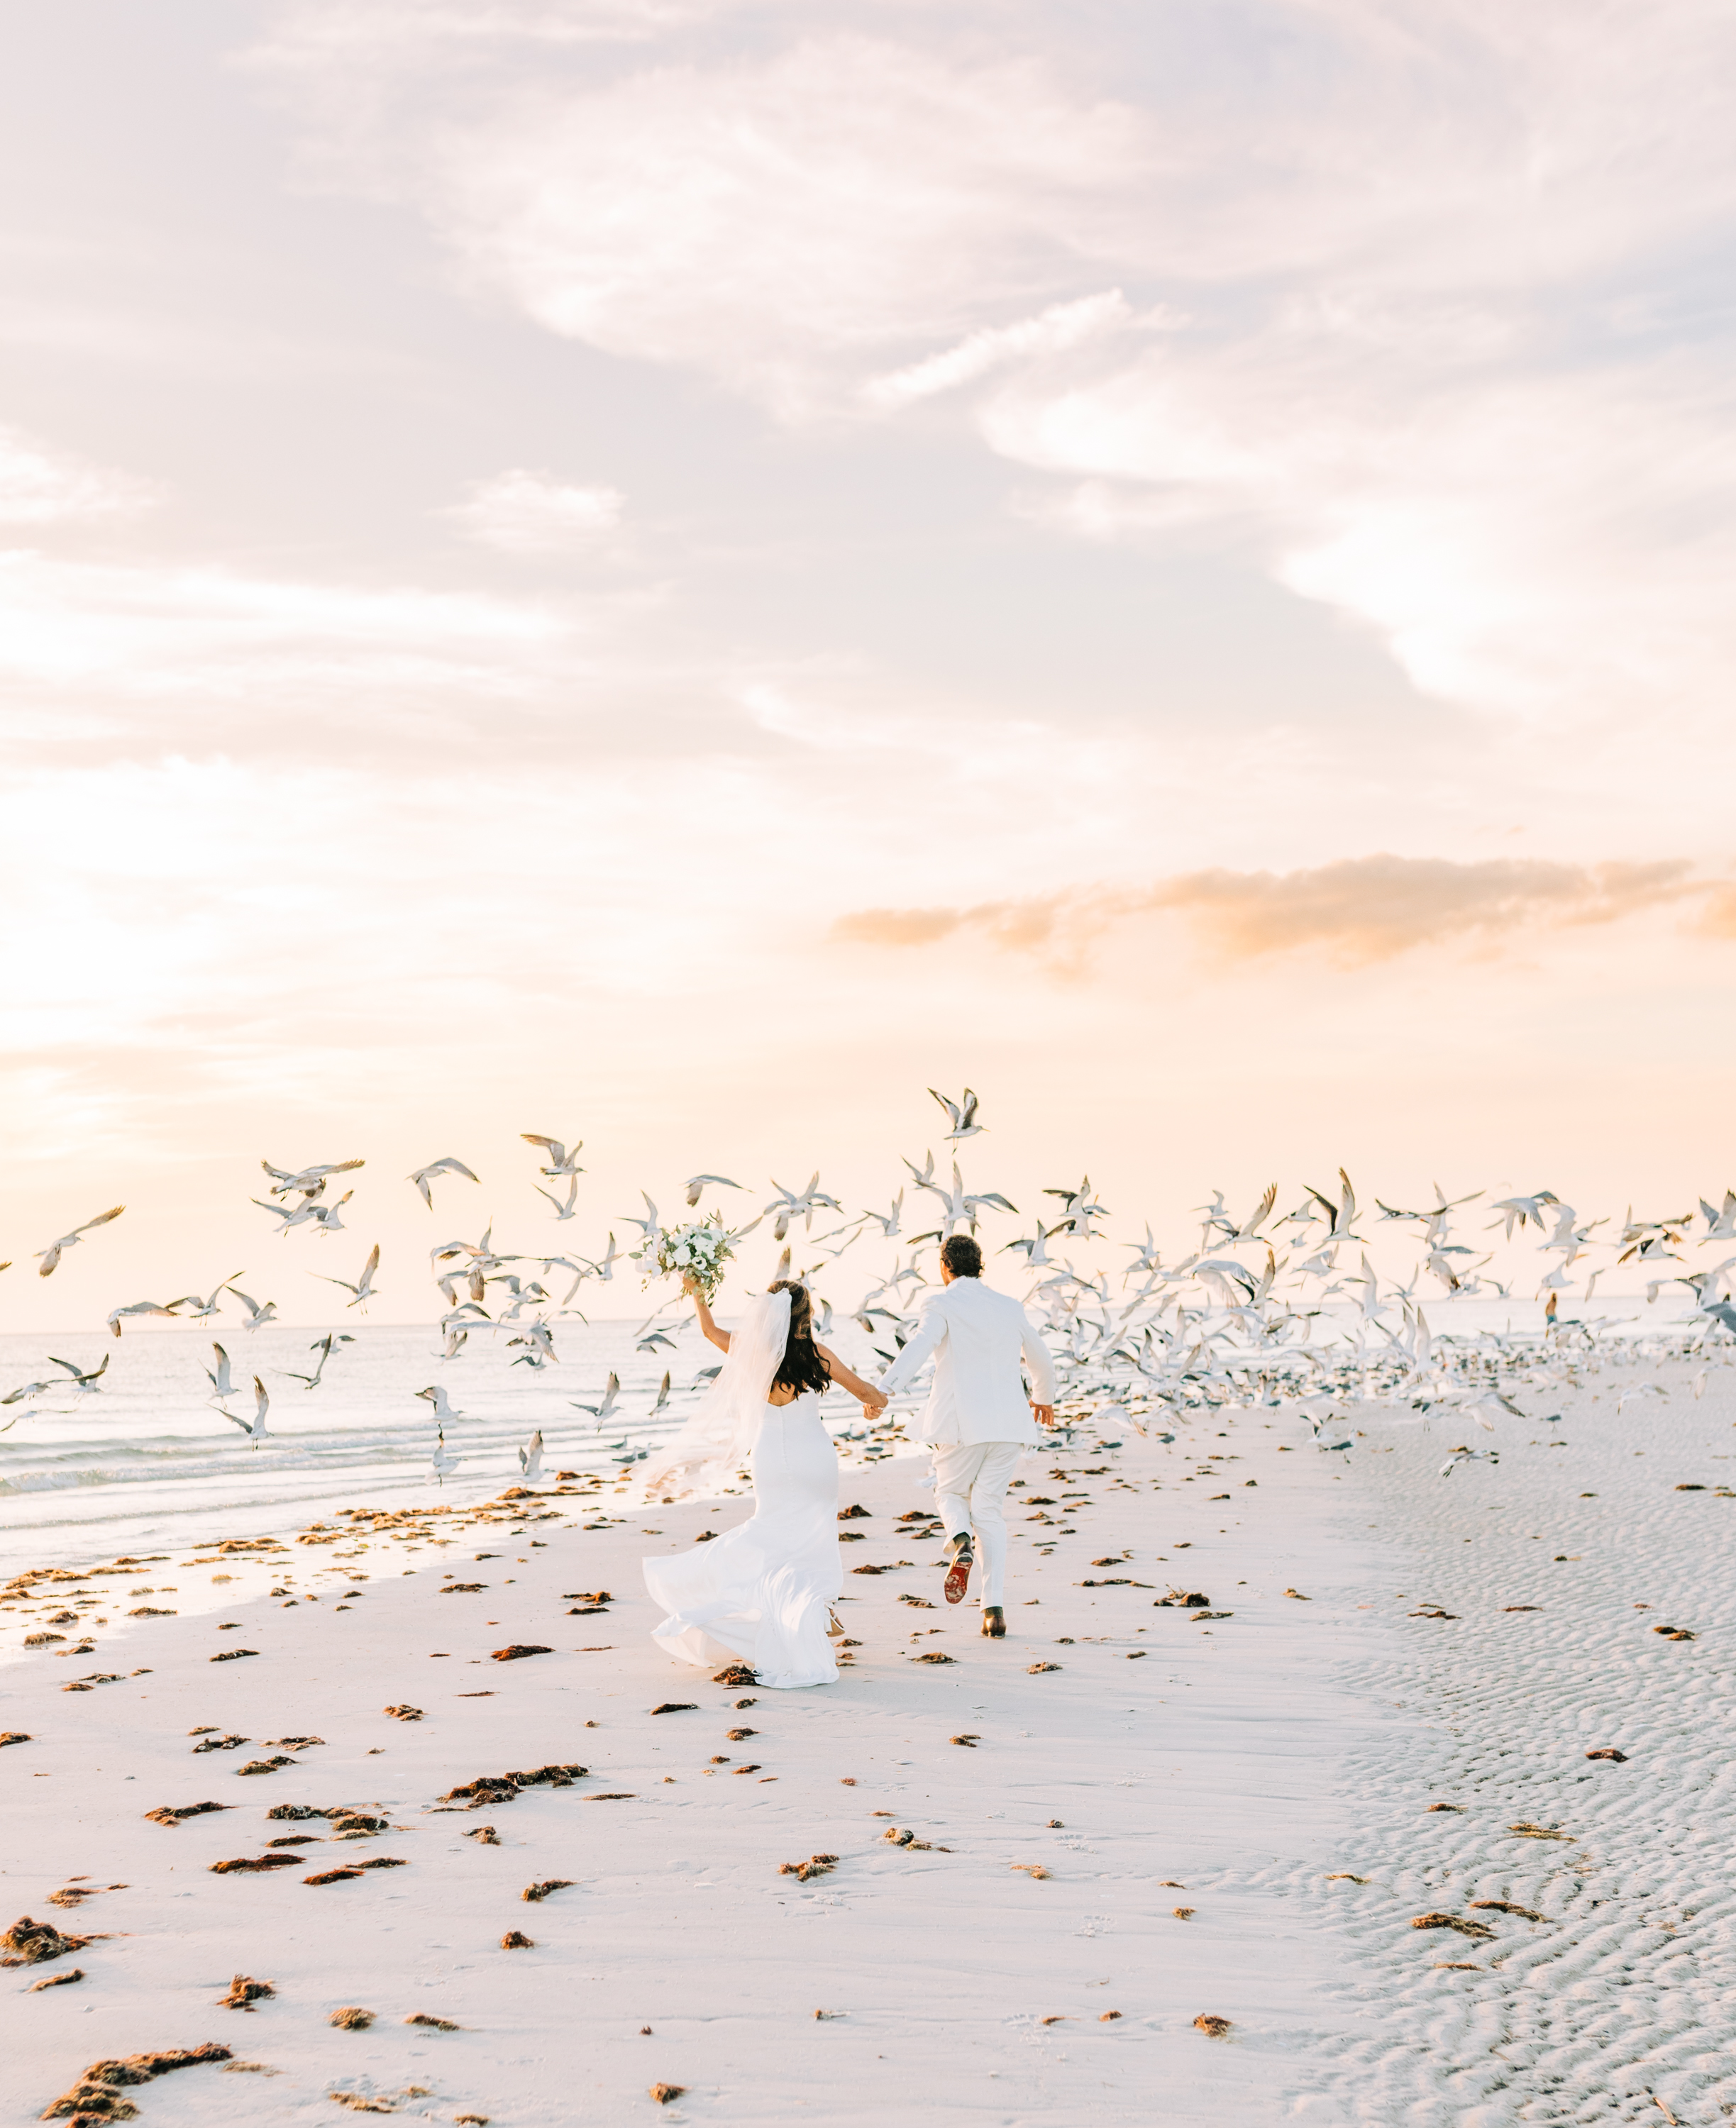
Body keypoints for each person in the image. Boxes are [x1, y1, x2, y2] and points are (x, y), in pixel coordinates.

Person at [641, 1278, 887, 1690]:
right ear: (806, 1316)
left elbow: (709, 1331)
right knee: (815, 1534)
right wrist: (875, 1404)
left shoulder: (753, 1354)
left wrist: (697, 1291)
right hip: (815, 1458)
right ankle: (818, 1613)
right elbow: (868, 1393)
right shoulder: (818, 1356)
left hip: (771, 1457)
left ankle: (801, 1611)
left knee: (771, 1531)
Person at [875, 1234, 1058, 1638]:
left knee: (949, 1493)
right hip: (1009, 1426)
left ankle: (960, 1540)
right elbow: (1041, 1357)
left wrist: (884, 1390)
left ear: (945, 1267)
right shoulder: (1010, 1307)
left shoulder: (941, 1302)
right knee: (990, 1512)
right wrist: (1043, 1397)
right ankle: (993, 1610)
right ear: (980, 1265)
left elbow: (920, 1345)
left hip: (961, 1424)